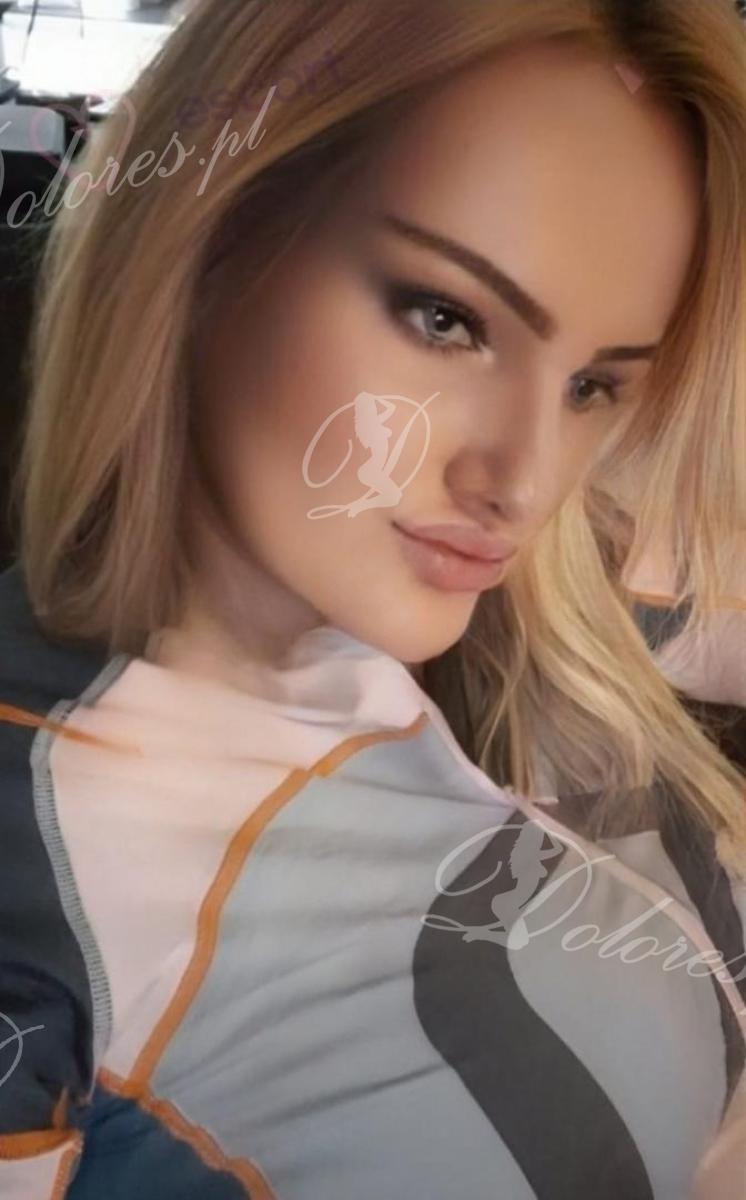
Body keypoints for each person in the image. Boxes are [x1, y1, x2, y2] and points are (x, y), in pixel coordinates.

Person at [0, 1, 745, 1196]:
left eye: (592, 387)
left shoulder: (520, 641)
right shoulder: (37, 867)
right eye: (444, 319)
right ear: (202, 241)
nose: (522, 481)